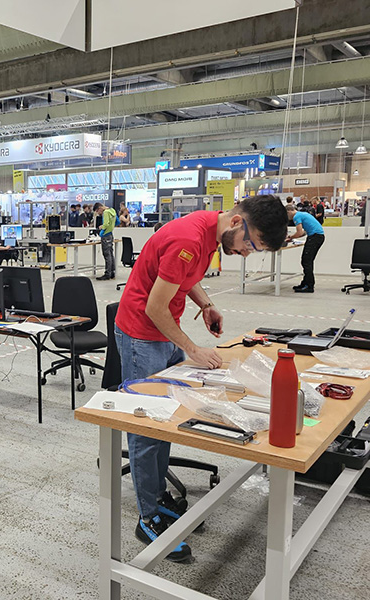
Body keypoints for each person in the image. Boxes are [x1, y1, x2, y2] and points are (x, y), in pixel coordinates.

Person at [115, 195, 288, 563]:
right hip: (142, 334)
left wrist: (206, 305)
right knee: (147, 425)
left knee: (165, 420)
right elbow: (155, 307)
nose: (245, 253)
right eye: (250, 244)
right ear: (237, 222)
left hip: (164, 332)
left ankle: (157, 495)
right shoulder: (189, 239)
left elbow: (185, 278)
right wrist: (192, 348)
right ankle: (148, 517)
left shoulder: (210, 233)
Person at [286, 204, 325, 293]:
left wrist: (290, 237)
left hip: (315, 237)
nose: (288, 218)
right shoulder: (302, 214)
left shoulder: (296, 216)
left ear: (289, 212)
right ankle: (305, 283)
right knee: (307, 261)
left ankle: (309, 286)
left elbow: (299, 232)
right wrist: (292, 237)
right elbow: (304, 232)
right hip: (317, 236)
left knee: (306, 261)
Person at [95, 202, 117, 280]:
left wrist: (101, 228)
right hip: (110, 234)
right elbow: (117, 222)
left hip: (105, 235)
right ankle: (112, 272)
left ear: (99, 208)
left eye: (97, 211)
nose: (99, 213)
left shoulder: (106, 212)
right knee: (110, 254)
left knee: (107, 255)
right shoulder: (112, 211)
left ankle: (107, 274)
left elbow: (106, 224)